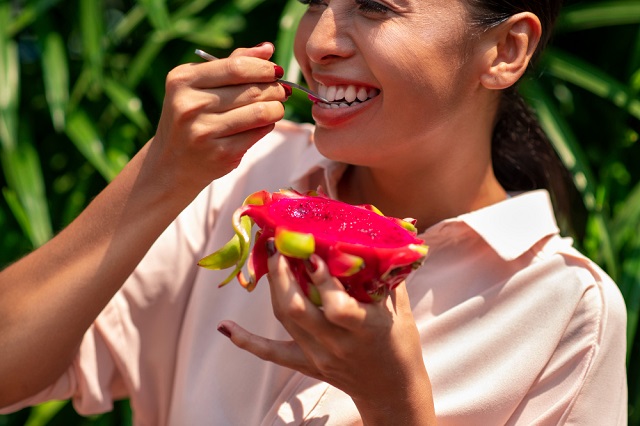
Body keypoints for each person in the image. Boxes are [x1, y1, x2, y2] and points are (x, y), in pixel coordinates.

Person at [0, 0, 628, 424]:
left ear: (505, 50)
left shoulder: (565, 310)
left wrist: (393, 404)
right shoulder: (237, 177)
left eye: (377, 5)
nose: (319, 43)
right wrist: (160, 174)